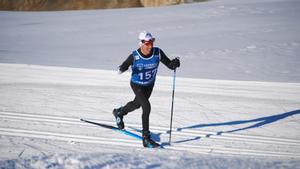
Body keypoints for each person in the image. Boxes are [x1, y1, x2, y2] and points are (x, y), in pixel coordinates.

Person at [113, 31, 180, 148]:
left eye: (152, 42)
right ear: (141, 43)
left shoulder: (157, 53)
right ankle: (146, 138)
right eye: (148, 43)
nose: (150, 46)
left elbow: (169, 65)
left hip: (149, 85)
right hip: (137, 85)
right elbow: (122, 67)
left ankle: (119, 112)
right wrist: (122, 68)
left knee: (137, 104)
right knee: (146, 106)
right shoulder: (135, 56)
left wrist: (174, 64)